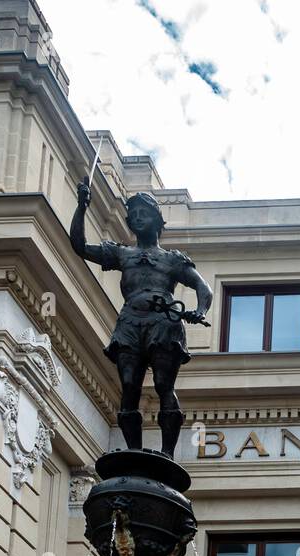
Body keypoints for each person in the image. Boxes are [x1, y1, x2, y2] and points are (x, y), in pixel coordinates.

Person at [70, 180, 212, 457]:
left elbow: (203, 289)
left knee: (163, 385)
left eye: (143, 213)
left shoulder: (172, 259)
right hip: (130, 322)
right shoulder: (122, 253)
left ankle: (168, 453)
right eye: (133, 214)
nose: (136, 218)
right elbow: (80, 246)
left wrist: (200, 311)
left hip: (164, 322)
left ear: (157, 220)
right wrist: (81, 207)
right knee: (129, 386)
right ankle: (134, 452)